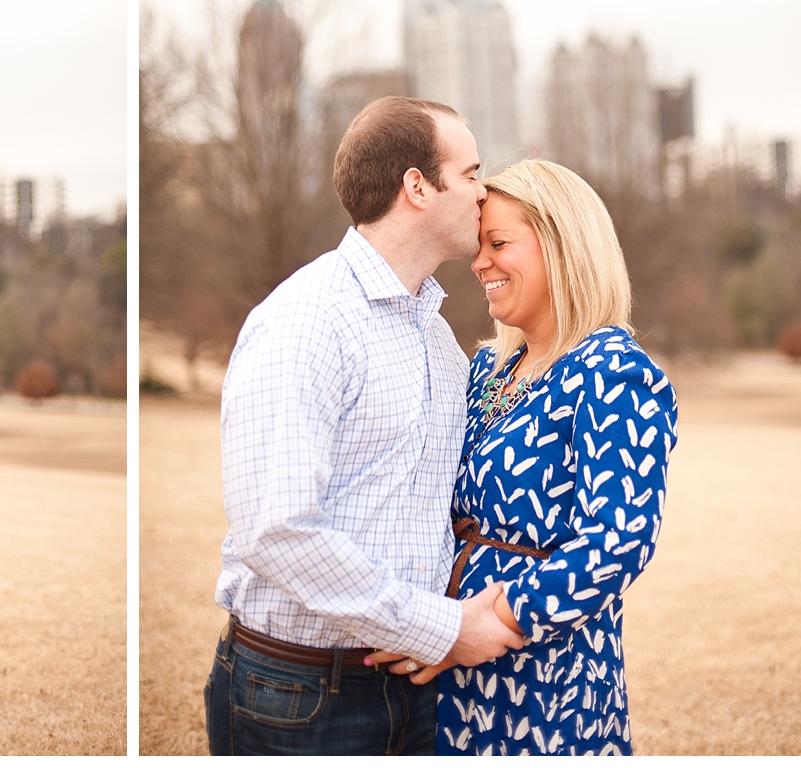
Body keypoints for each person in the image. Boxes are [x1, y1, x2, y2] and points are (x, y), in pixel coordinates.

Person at [205, 96, 525, 756]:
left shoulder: (438, 338)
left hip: (417, 685)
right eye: (469, 173)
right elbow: (277, 528)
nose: (483, 191)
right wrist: (440, 626)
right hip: (300, 693)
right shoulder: (307, 319)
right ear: (417, 186)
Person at [376, 159, 678, 755]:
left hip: (544, 679)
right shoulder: (488, 367)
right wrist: (420, 620)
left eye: (499, 243)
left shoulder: (614, 372)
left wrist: (496, 620)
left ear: (562, 247)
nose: (478, 261)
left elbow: (616, 542)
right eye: (478, 244)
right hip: (444, 673)